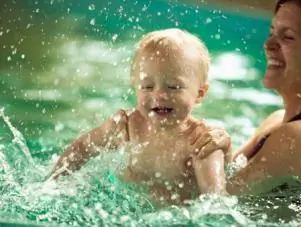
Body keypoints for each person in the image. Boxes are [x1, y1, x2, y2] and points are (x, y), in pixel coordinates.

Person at [50, 28, 230, 205]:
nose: (159, 95)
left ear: (200, 93)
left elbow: (216, 202)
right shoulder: (125, 126)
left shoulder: (202, 143)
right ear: (135, 86)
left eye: (174, 87)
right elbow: (81, 148)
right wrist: (53, 184)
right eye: (147, 87)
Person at [193, 0, 301, 194]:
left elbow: (216, 204)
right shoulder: (278, 120)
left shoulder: (298, 138)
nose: (268, 45)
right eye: (272, 33)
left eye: (287, 37)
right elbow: (229, 176)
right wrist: (225, 148)